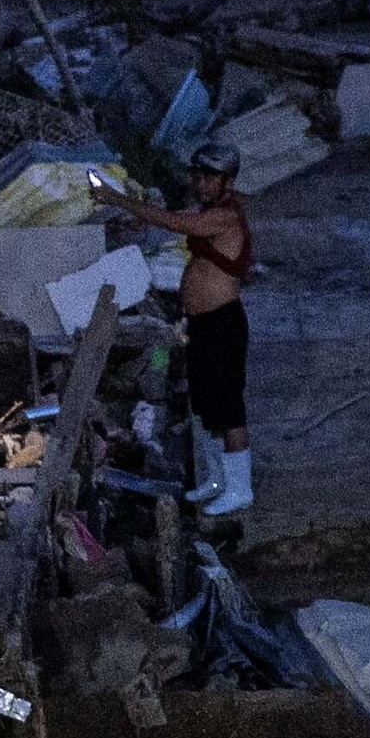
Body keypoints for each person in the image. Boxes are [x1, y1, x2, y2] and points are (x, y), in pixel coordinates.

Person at [121, 146, 257, 518]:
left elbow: (179, 225)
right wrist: (143, 219)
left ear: (227, 182)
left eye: (210, 178)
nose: (201, 184)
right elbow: (176, 218)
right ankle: (216, 480)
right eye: (198, 177)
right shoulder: (206, 212)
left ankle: (240, 487)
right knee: (203, 404)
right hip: (199, 323)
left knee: (227, 407)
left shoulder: (226, 217)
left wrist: (121, 201)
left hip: (222, 323)